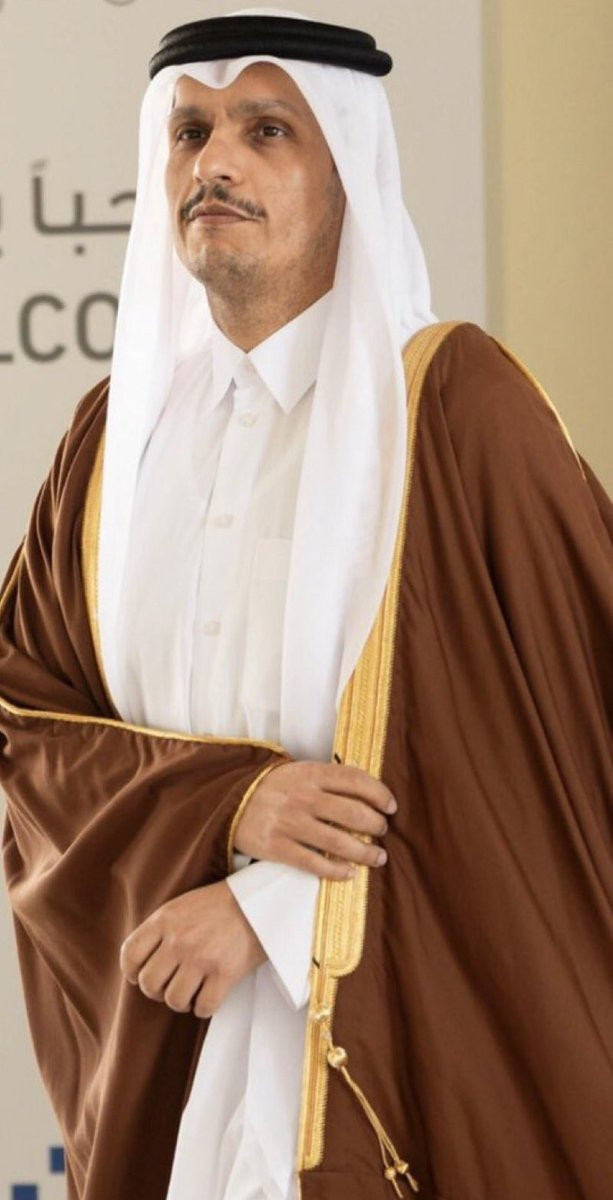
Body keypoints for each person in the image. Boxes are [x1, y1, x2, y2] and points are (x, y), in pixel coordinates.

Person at [1, 9, 611, 1200]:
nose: (214, 164)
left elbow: (556, 758)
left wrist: (279, 912)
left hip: (409, 1072)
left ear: (349, 171)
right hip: (178, 1080)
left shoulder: (455, 410)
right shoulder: (112, 442)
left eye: (265, 130)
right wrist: (226, 806)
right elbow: (27, 726)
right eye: (190, 133)